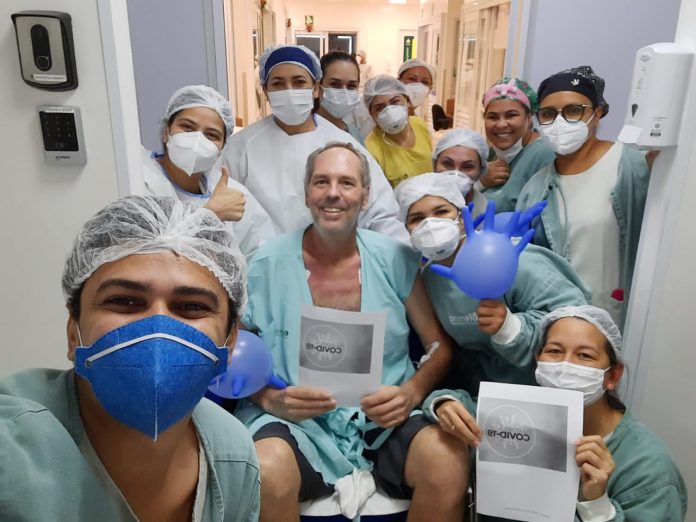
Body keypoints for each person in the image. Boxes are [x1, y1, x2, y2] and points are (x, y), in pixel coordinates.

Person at [236, 142, 470, 522]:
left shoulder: (395, 259)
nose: (333, 193)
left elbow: (439, 346)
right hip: (295, 421)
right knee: (266, 469)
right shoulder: (263, 266)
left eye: (347, 183)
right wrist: (269, 399)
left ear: (365, 196)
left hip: (386, 420)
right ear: (307, 193)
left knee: (446, 459)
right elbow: (232, 355)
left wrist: (410, 393)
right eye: (321, 182)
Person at [0, 196, 260, 521]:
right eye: (124, 301)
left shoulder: (233, 457)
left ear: (230, 341)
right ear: (73, 331)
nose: (157, 327)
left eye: (191, 306)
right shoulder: (10, 452)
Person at [424, 305, 688, 521]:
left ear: (613, 376)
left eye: (585, 355)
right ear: (538, 361)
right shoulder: (526, 414)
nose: (565, 366)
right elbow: (469, 408)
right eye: (555, 351)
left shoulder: (648, 468)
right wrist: (444, 404)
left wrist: (597, 505)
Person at [395, 172, 590, 396]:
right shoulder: (430, 278)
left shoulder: (511, 256)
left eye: (441, 212)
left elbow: (578, 321)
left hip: (545, 388)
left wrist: (510, 326)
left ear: (461, 217)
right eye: (417, 218)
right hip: (484, 394)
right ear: (407, 229)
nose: (430, 224)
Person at [223, 44, 408, 243]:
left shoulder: (344, 145)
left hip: (334, 258)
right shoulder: (241, 147)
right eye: (278, 83)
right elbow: (223, 213)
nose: (289, 91)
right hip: (260, 259)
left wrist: (401, 253)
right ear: (266, 92)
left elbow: (380, 214)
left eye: (299, 82)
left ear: (316, 89)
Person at [516, 66, 653, 326]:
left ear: (597, 113)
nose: (559, 122)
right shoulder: (535, 189)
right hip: (565, 323)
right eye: (548, 114)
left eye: (573, 111)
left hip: (623, 316)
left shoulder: (630, 166)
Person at [142, 84, 274, 256]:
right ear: (167, 132)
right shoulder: (139, 179)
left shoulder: (233, 195)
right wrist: (210, 215)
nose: (197, 139)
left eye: (211, 135)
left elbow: (261, 258)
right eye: (187, 127)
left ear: (221, 148)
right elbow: (141, 254)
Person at [479, 77, 555, 212]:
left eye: (511, 115)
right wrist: (480, 182)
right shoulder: (491, 153)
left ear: (529, 118)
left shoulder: (543, 155)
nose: (501, 124)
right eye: (493, 117)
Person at [364, 75, 433, 187]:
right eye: (380, 108)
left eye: (395, 102)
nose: (390, 111)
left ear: (407, 101)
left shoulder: (419, 125)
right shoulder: (371, 149)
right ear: (372, 114)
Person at [431, 128, 490, 218]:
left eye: (467, 167)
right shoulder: (416, 201)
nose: (456, 173)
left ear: (480, 171)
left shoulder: (483, 209)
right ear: (435, 164)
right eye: (447, 164)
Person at [317, 51, 364, 144]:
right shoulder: (305, 132)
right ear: (317, 87)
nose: (344, 92)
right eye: (335, 84)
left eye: (351, 85)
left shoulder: (354, 133)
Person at [397, 58, 436, 127]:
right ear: (398, 82)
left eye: (425, 82)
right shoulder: (382, 118)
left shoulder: (420, 126)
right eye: (412, 79)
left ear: (430, 89)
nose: (418, 86)